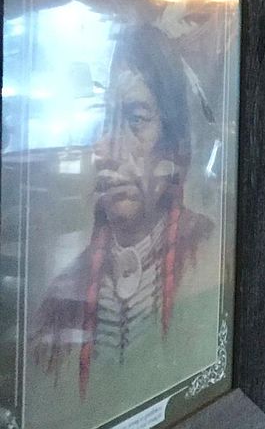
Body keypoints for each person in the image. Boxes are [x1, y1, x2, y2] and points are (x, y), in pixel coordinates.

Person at [30, 25, 213, 397]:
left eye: (135, 120)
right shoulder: (62, 300)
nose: (107, 151)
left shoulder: (208, 257)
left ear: (174, 145)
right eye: (106, 123)